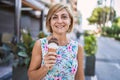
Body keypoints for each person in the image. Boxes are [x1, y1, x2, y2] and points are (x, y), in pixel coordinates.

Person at [28, 3, 85, 80]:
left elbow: (80, 77)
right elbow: (31, 77)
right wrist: (45, 67)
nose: (60, 21)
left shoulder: (78, 48)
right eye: (55, 17)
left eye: (64, 17)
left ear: (70, 21)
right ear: (50, 22)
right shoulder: (40, 44)